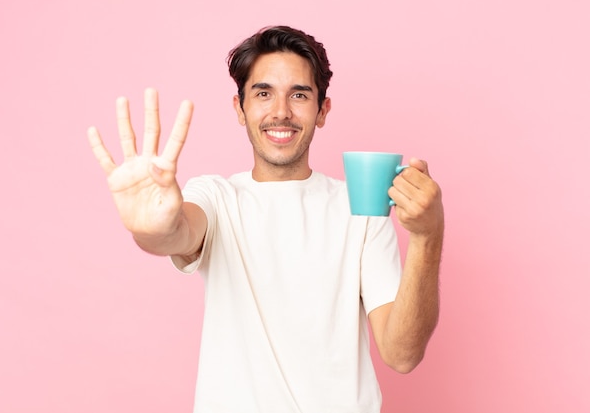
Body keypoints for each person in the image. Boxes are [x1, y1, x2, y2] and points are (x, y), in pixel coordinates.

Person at [88, 25, 444, 413]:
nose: (280, 112)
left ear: (322, 110)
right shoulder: (216, 197)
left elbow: (402, 354)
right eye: (263, 93)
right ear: (240, 108)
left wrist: (428, 237)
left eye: (299, 94)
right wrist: (151, 227)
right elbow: (176, 233)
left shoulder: (359, 207)